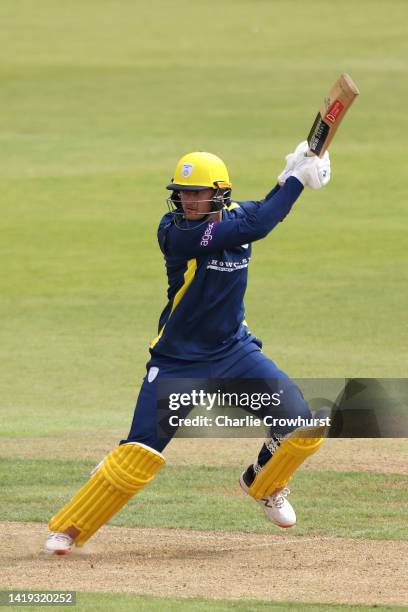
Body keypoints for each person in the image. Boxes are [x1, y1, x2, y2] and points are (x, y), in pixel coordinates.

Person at [45, 142, 331, 555]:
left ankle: (263, 482)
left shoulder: (237, 218)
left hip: (234, 352)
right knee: (139, 453)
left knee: (301, 424)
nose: (188, 200)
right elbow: (261, 222)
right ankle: (70, 528)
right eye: (182, 192)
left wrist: (289, 175)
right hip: (179, 361)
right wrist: (296, 184)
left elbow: (261, 213)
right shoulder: (177, 232)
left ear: (220, 193)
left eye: (197, 192)